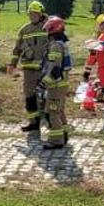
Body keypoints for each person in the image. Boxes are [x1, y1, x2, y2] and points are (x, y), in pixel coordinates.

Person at [12, 0, 49, 132]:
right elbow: (17, 49)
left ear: (41, 14)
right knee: (29, 96)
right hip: (29, 70)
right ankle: (33, 123)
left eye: (35, 14)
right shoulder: (24, 29)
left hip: (46, 69)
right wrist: (12, 64)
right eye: (30, 14)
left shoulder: (48, 27)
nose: (32, 16)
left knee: (47, 95)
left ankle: (51, 121)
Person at [38, 16, 73, 148]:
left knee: (52, 112)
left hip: (56, 85)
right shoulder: (62, 44)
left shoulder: (56, 46)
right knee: (60, 111)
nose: (47, 33)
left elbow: (55, 68)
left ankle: (56, 141)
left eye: (48, 30)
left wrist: (44, 83)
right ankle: (63, 135)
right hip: (62, 84)